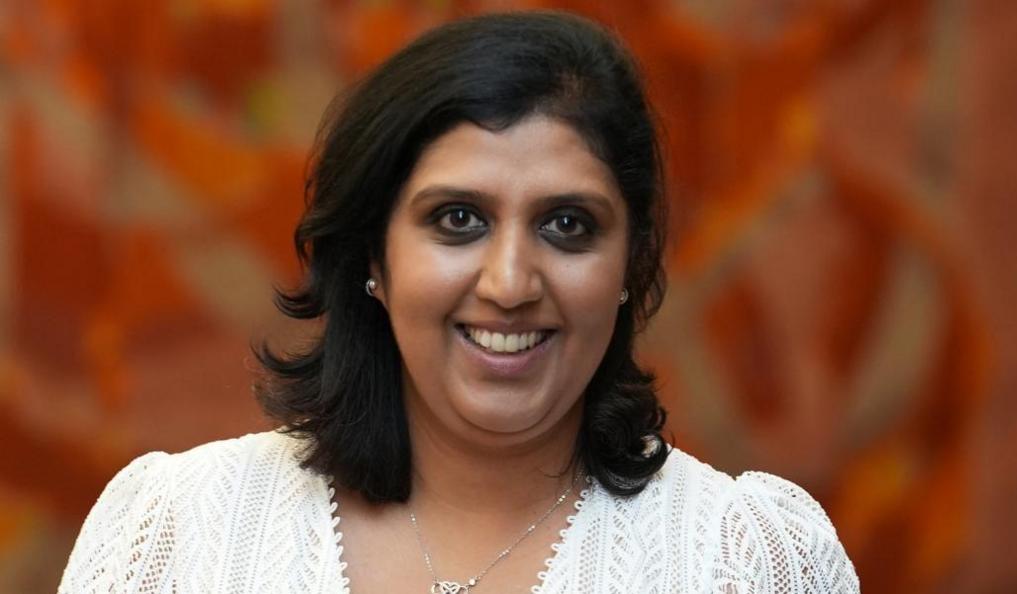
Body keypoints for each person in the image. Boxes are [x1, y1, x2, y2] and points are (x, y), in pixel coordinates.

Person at [59, 10, 859, 594]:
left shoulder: (744, 560)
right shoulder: (175, 534)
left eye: (568, 225)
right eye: (459, 220)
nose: (510, 284)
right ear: (375, 253)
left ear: (629, 265)